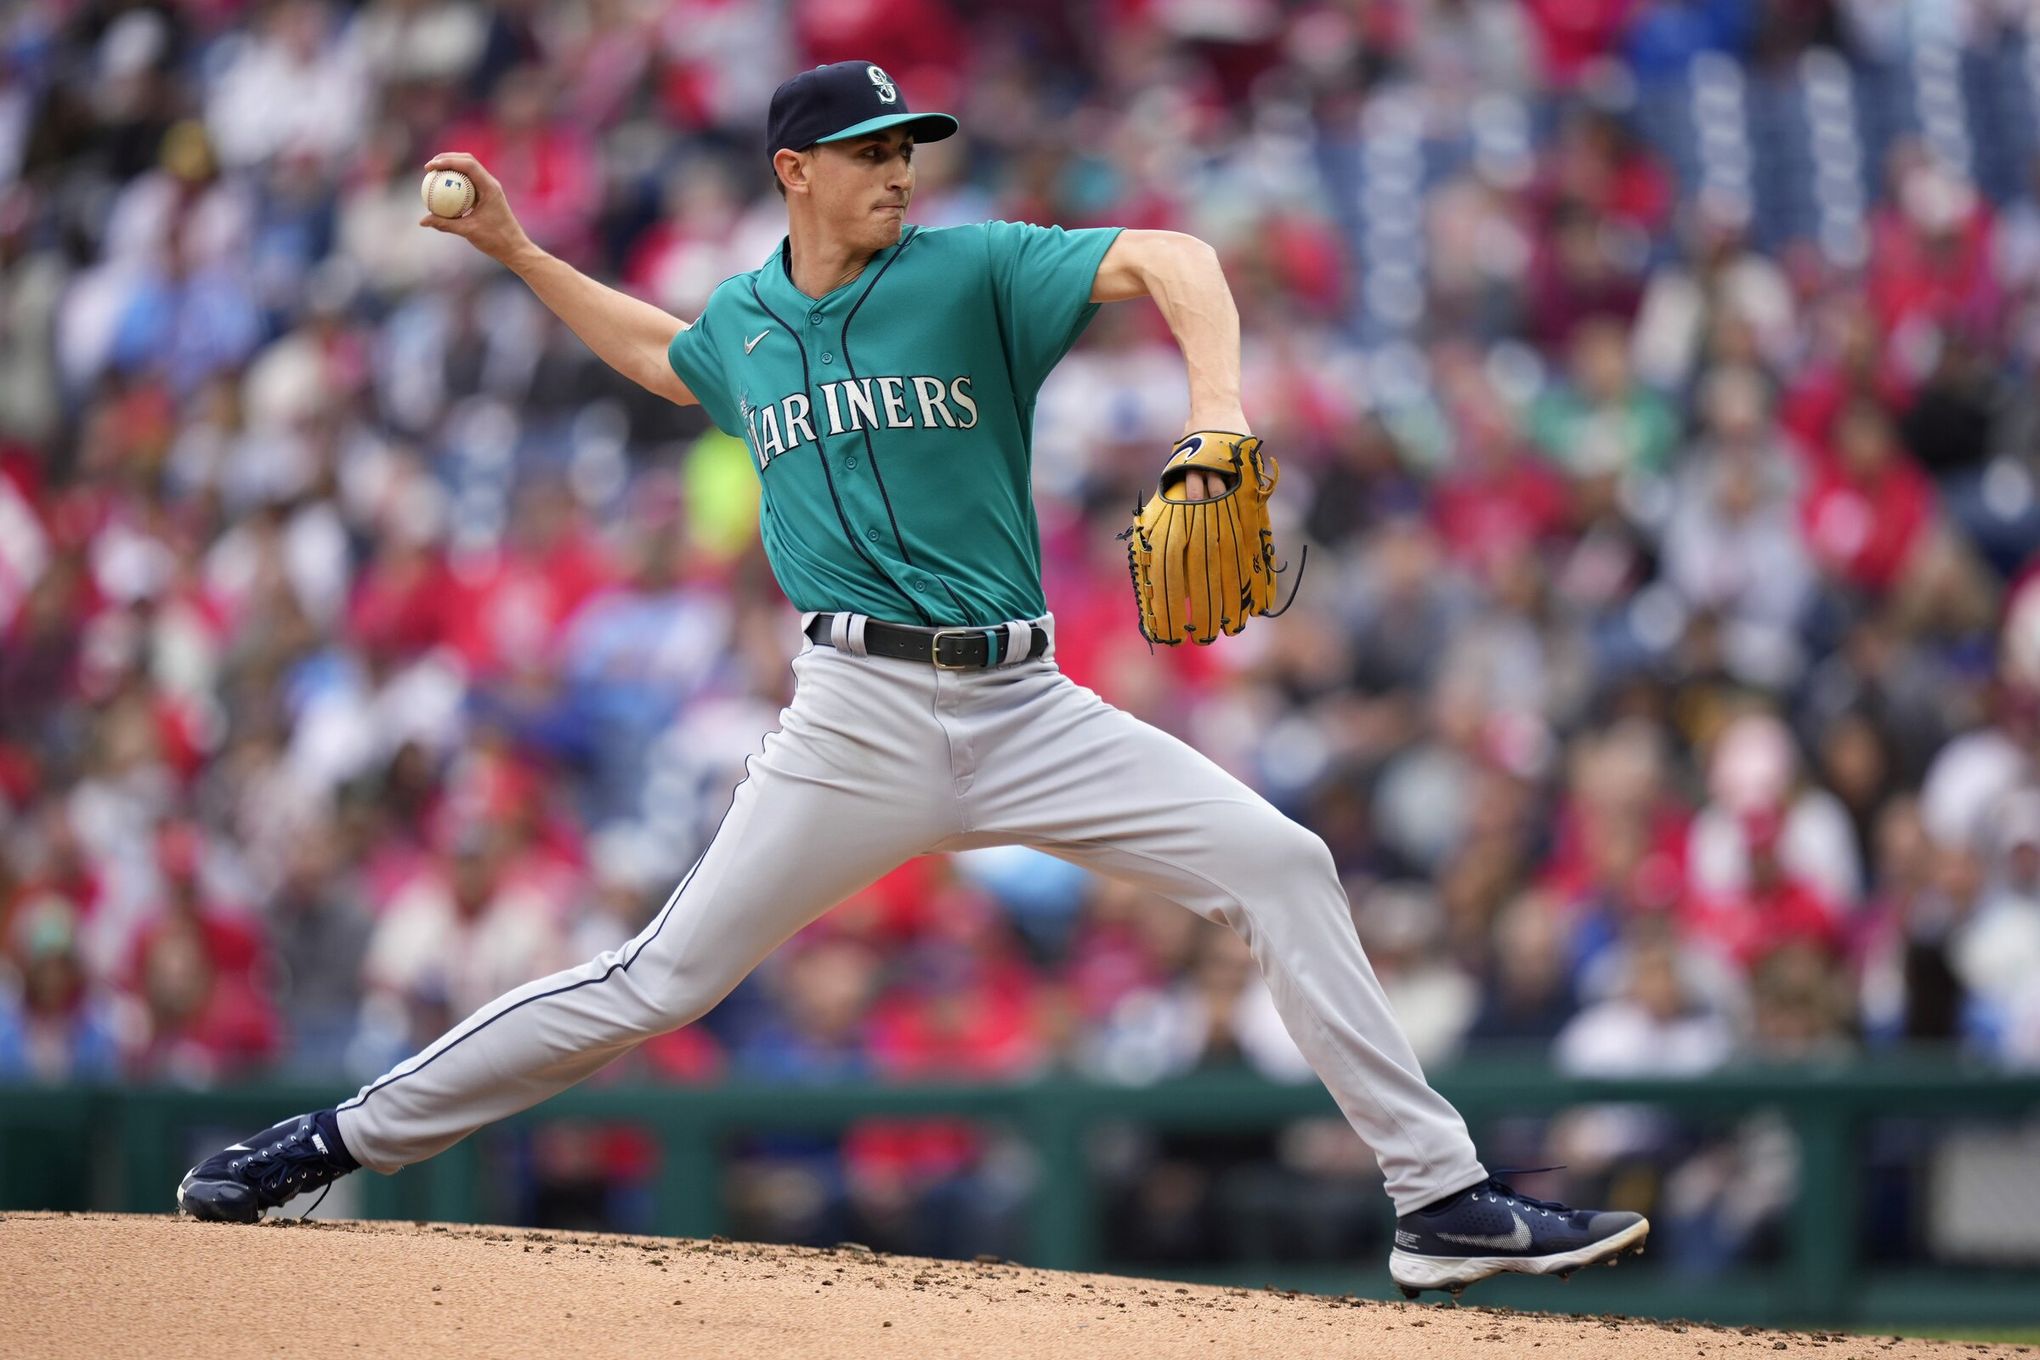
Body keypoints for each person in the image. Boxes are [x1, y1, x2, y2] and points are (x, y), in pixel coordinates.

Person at [175, 60, 1647, 1297]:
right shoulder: (750, 323)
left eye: (909, 148)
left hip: (1028, 707)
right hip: (855, 722)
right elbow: (664, 357)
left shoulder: (972, 270)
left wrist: (1217, 414)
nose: (900, 172)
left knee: (1282, 861)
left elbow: (1173, 258)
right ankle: (336, 1143)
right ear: (792, 171)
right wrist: (513, 251)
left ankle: (1439, 1200)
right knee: (656, 982)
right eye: (870, 153)